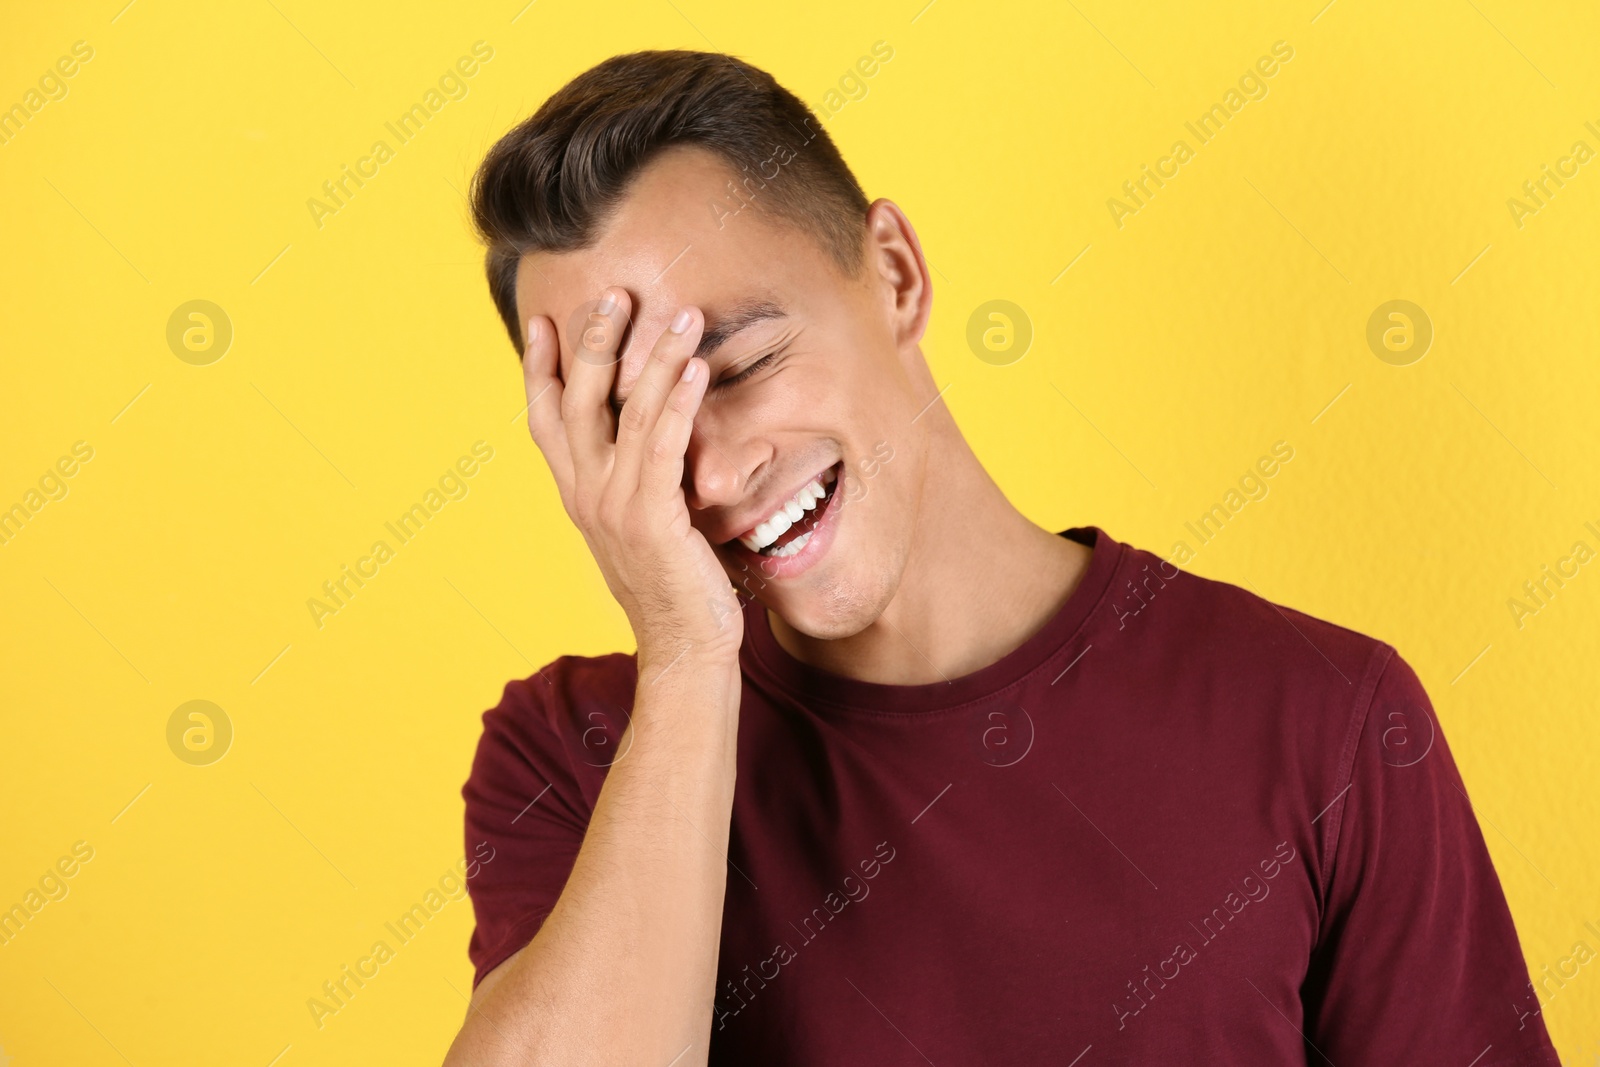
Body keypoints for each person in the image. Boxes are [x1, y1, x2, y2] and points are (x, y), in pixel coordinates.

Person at [442, 49, 1560, 1067]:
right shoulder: (571, 756)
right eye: (636, 425)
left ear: (892, 272)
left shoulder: (1324, 718)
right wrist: (686, 660)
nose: (717, 472)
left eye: (738, 367)